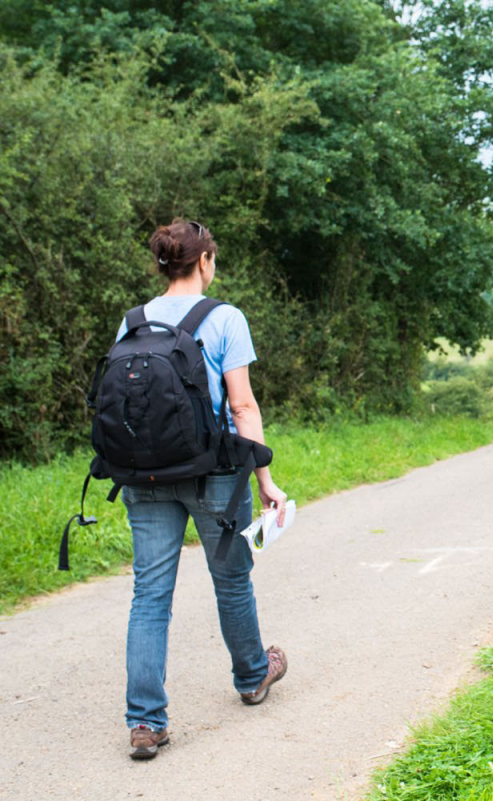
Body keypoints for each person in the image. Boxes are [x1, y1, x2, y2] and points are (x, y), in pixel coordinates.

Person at [117, 219, 288, 760]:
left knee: (149, 596)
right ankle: (253, 675)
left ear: (162, 265)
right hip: (214, 473)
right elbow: (242, 406)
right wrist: (265, 479)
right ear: (206, 261)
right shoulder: (225, 318)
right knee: (232, 581)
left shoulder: (132, 322)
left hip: (143, 475)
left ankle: (145, 723)